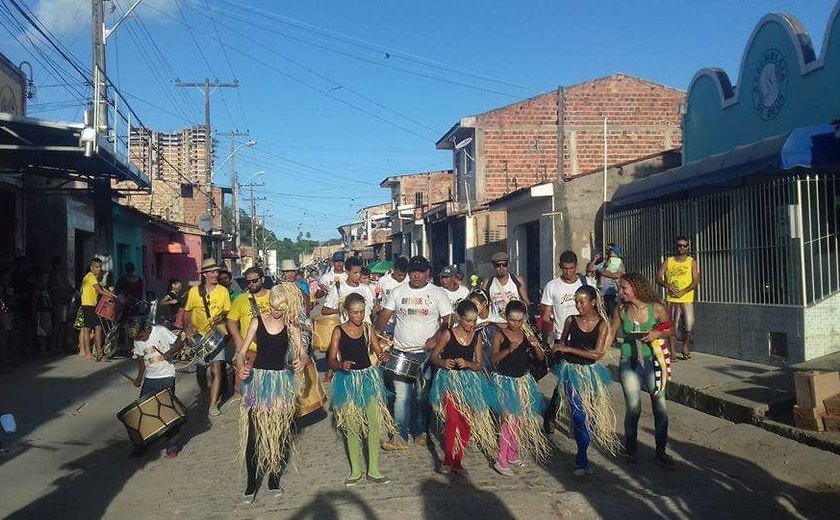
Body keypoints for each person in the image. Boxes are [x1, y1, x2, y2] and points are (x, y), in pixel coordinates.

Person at [234, 283, 306, 504]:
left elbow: (303, 355)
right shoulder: (257, 322)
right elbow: (241, 352)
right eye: (274, 307)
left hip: (280, 384)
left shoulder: (292, 327)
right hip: (257, 382)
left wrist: (300, 363)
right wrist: (241, 367)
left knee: (279, 434)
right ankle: (250, 483)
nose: (276, 312)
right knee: (253, 435)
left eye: (281, 309)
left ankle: (274, 480)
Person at [376, 255, 453, 449]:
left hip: (426, 355)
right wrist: (375, 335)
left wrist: (436, 338)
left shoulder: (437, 293)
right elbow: (385, 315)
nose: (416, 275)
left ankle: (420, 431)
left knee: (421, 395)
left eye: (420, 271)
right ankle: (400, 436)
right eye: (413, 271)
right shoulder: (398, 292)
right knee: (402, 396)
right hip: (401, 351)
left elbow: (448, 320)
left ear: (428, 272)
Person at [552, 285, 619, 476]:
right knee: (578, 413)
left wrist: (569, 350)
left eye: (582, 302)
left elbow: (597, 354)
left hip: (589, 374)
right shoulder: (570, 320)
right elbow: (562, 342)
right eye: (576, 302)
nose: (578, 306)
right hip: (571, 372)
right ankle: (582, 460)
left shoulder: (602, 324)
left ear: (593, 302)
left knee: (587, 416)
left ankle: (582, 454)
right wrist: (557, 348)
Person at [328, 293, 394, 486]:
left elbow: (378, 351)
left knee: (374, 425)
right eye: (354, 312)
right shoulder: (338, 331)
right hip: (348, 381)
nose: (358, 316)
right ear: (347, 312)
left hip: (368, 378)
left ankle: (373, 469)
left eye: (361, 312)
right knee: (352, 426)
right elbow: (331, 359)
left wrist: (383, 356)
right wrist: (341, 364)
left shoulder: (367, 328)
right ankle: (355, 471)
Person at [612, 272, 674, 466]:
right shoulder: (621, 310)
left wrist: (656, 333)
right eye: (619, 288)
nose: (620, 292)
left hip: (652, 360)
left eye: (624, 288)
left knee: (660, 406)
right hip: (628, 361)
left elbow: (671, 330)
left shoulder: (656, 309)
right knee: (633, 407)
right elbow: (610, 332)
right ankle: (630, 451)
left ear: (636, 288)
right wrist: (597, 352)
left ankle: (661, 450)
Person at [429, 300, 496, 475]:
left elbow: (479, 365)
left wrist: (467, 363)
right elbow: (433, 356)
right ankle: (448, 460)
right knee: (452, 420)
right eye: (468, 321)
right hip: (449, 381)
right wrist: (444, 362)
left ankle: (458, 460)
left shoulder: (476, 336)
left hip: (469, 383)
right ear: (460, 318)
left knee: (466, 423)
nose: (471, 325)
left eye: (474, 321)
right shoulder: (448, 334)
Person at [490, 300, 547, 476]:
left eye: (519, 320)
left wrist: (536, 345)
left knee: (520, 420)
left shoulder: (525, 334)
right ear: (506, 317)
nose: (516, 324)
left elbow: (540, 357)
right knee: (509, 420)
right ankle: (501, 459)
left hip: (522, 381)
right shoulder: (500, 335)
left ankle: (512, 453)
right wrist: (508, 350)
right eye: (512, 320)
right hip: (505, 382)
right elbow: (493, 358)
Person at [540, 250, 594, 433]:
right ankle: (554, 416)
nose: (568, 272)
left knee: (580, 381)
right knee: (566, 380)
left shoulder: (586, 283)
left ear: (576, 267)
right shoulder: (552, 286)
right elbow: (546, 316)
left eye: (571, 269)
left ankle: (578, 417)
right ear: (560, 267)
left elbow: (598, 310)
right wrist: (546, 341)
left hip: (585, 339)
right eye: (565, 269)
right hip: (562, 339)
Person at [128, 321, 185, 458]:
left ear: (146, 329)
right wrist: (139, 378)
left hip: (166, 375)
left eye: (142, 337)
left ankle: (172, 445)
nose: (141, 340)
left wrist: (169, 352)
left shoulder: (160, 331)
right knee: (142, 411)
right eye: (138, 339)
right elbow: (142, 360)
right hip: (150, 378)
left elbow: (180, 343)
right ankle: (141, 444)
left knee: (167, 412)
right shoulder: (137, 339)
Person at [184, 258, 232, 417]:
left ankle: (213, 404)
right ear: (204, 274)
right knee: (200, 370)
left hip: (218, 335)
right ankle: (205, 393)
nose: (215, 274)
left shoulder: (223, 291)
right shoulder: (194, 292)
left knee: (217, 368)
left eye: (217, 271)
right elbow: (188, 311)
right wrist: (188, 327)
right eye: (212, 272)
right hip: (199, 336)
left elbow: (227, 311)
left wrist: (222, 317)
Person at [228, 267, 271, 394]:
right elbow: (231, 321)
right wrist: (238, 340)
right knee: (247, 390)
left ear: (262, 279)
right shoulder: (241, 299)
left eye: (255, 280)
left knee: (269, 390)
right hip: (249, 351)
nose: (251, 284)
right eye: (249, 282)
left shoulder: (273, 296)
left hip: (270, 351)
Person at [656, 236, 700, 360]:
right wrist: (667, 284)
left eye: (684, 245)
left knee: (689, 324)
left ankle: (685, 346)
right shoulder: (669, 261)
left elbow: (696, 280)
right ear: (676, 247)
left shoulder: (691, 261)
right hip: (672, 299)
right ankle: (673, 352)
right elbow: (658, 277)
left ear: (688, 247)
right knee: (672, 327)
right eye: (679, 245)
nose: (681, 248)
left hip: (686, 298)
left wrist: (684, 291)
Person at [79, 258, 117, 361]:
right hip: (88, 305)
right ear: (91, 267)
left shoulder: (94, 278)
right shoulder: (90, 277)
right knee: (87, 329)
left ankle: (99, 352)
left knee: (98, 328)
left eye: (100, 267)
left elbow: (102, 288)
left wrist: (113, 295)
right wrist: (111, 296)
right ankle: (88, 352)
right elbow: (99, 290)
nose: (99, 269)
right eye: (97, 267)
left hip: (92, 305)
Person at [322, 257, 375, 323]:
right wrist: (341, 310)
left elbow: (373, 310)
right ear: (347, 272)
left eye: (360, 272)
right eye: (355, 272)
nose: (358, 275)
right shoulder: (338, 289)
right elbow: (324, 311)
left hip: (364, 328)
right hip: (346, 329)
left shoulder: (366, 289)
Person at [485, 251, 530, 326]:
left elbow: (525, 300)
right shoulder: (488, 282)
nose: (501, 268)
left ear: (508, 264)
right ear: (493, 266)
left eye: (504, 265)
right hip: (497, 323)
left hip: (516, 323)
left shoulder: (517, 280)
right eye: (498, 265)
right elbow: (485, 303)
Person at [586, 244, 625, 317]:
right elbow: (590, 269)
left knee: (614, 316)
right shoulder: (604, 264)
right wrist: (595, 259)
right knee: (603, 316)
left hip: (613, 294)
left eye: (610, 250)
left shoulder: (618, 263)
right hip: (602, 294)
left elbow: (618, 275)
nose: (608, 252)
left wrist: (603, 272)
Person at [374, 256, 408, 335]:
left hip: (403, 324)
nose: (401, 278)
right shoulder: (383, 281)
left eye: (404, 275)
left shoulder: (409, 281)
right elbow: (378, 299)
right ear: (394, 270)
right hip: (387, 323)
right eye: (399, 275)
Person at [48, 256, 72, 353]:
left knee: (63, 324)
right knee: (58, 325)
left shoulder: (63, 277)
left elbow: (68, 288)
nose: (63, 266)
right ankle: (54, 346)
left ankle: (59, 345)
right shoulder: (54, 277)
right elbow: (64, 289)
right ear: (56, 265)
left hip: (63, 302)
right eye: (61, 264)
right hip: (58, 303)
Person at [32, 270, 53, 356]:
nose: (46, 279)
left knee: (47, 330)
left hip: (47, 311)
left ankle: (45, 349)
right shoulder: (38, 290)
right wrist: (34, 312)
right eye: (44, 277)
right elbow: (34, 301)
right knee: (41, 331)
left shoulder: (47, 289)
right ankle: (42, 349)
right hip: (41, 312)